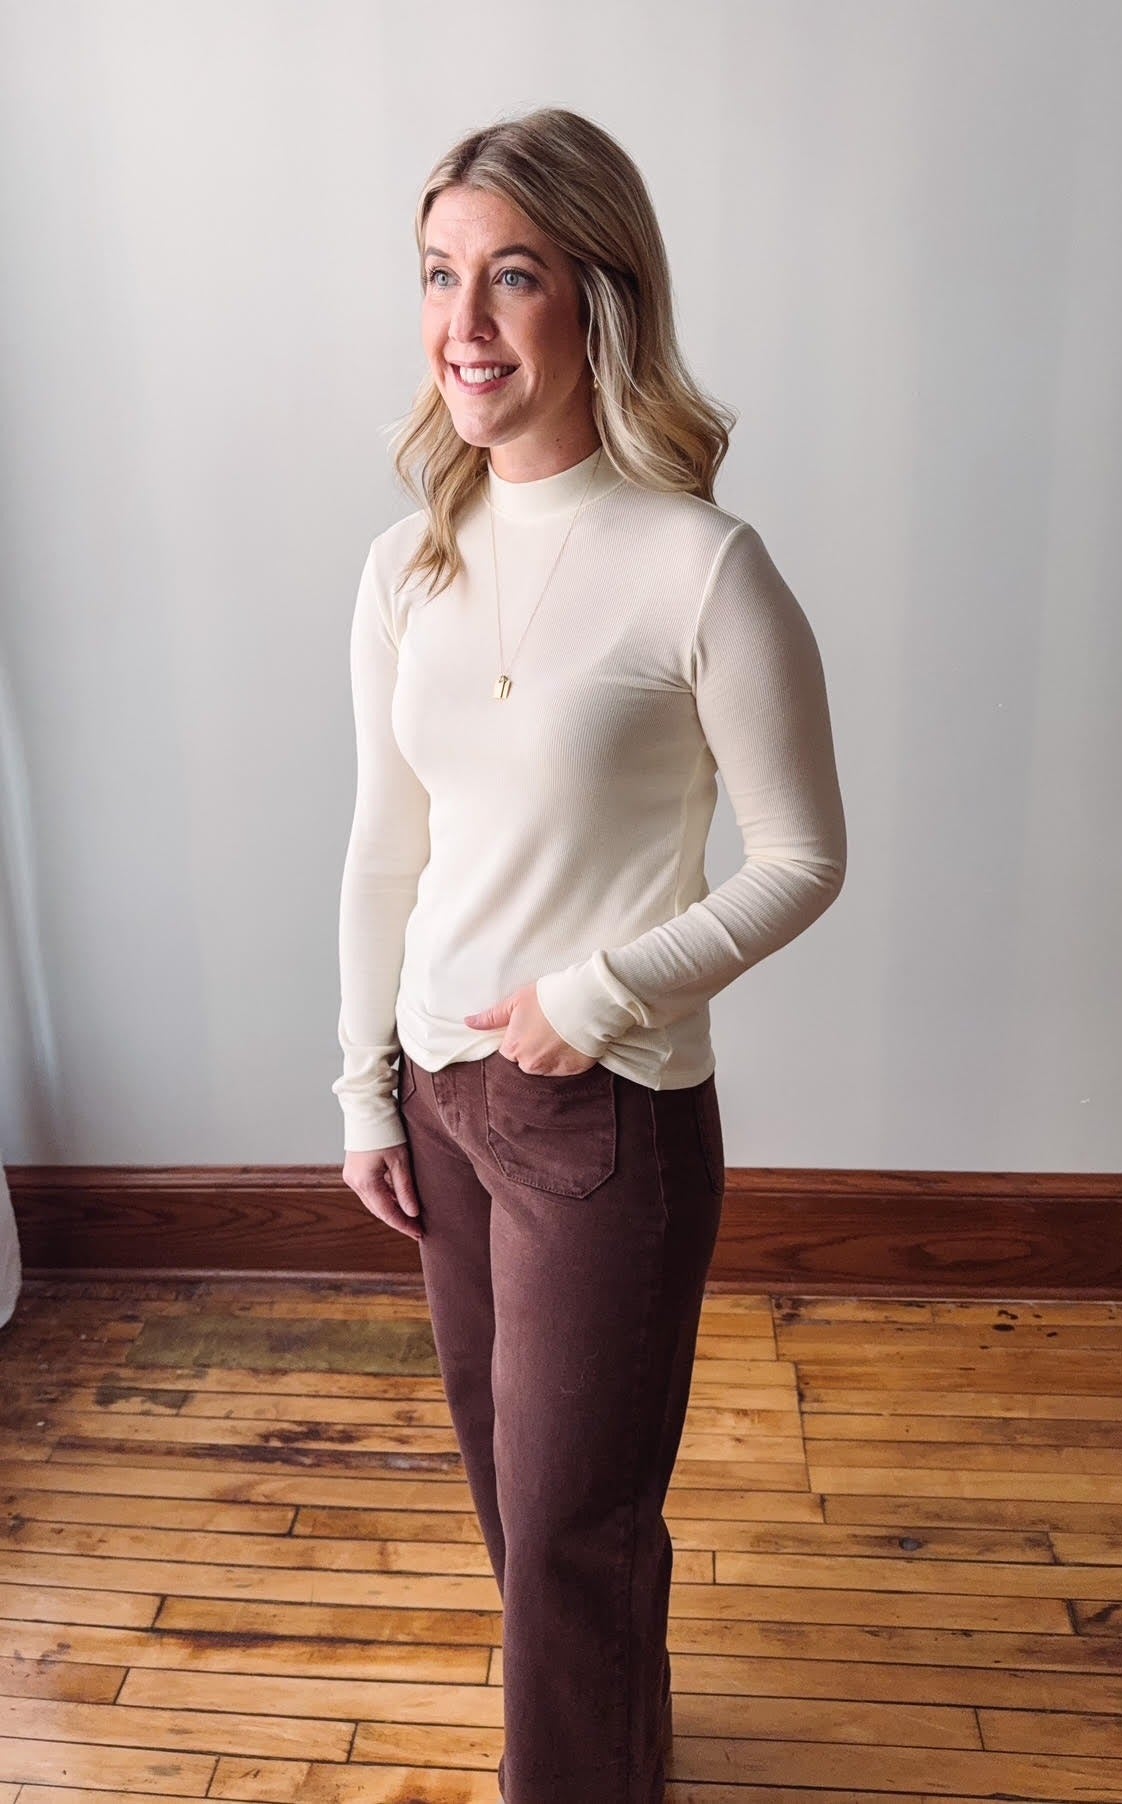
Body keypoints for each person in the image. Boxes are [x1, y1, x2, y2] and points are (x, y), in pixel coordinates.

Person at [333, 106, 847, 1804]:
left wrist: (594, 996)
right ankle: (600, 1752)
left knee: (572, 1522)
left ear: (599, 299)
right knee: (515, 1499)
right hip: (443, 1091)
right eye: (438, 276)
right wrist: (365, 1085)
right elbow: (382, 846)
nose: (462, 324)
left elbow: (805, 861)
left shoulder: (703, 569)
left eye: (513, 278)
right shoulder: (407, 565)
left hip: (597, 1108)